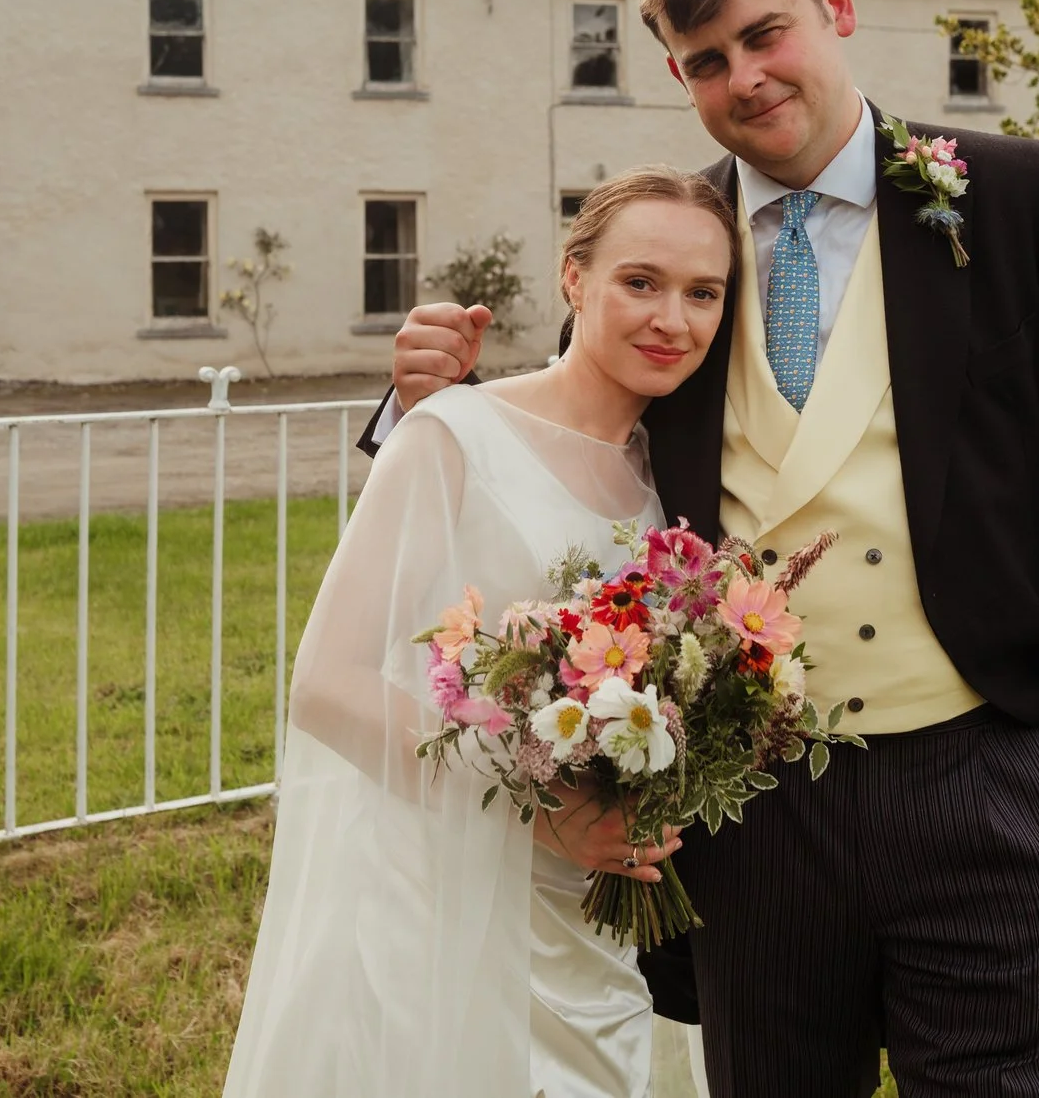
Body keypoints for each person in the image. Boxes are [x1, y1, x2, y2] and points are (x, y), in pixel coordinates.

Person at [368, 0, 1039, 1096]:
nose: (743, 77)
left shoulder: (1012, 197)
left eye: (765, 34)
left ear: (835, 6)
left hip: (993, 784)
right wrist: (414, 406)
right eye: (705, 60)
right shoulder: (676, 247)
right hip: (751, 814)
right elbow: (567, 429)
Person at [223, 167, 741, 1098]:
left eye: (702, 292)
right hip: (450, 891)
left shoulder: (676, 482)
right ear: (572, 278)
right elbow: (326, 681)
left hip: (596, 923)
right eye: (641, 281)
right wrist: (544, 810)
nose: (674, 317)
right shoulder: (453, 435)